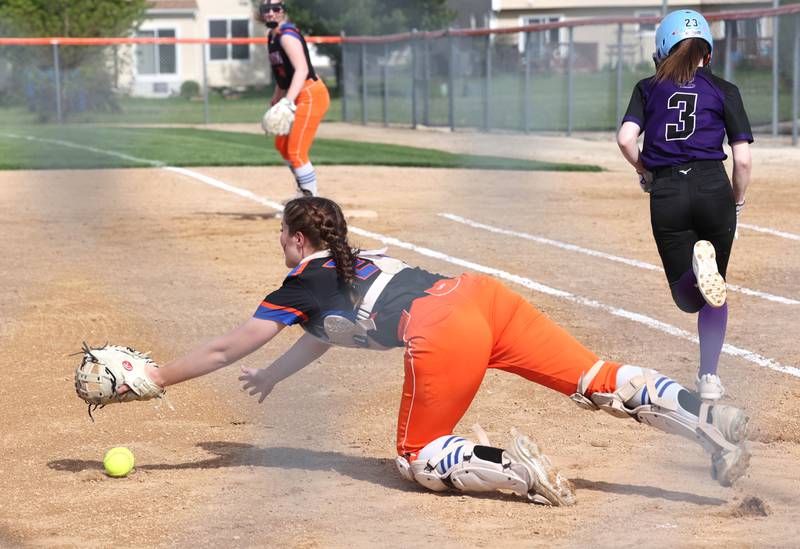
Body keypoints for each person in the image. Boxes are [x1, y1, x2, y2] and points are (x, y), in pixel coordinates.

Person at [115, 197, 750, 505]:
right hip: (483, 297)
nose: (279, 243)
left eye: (282, 234)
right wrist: (279, 376)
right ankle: (708, 420)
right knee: (596, 376)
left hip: (443, 330)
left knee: (417, 456)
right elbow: (326, 329)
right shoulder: (349, 261)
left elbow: (229, 346)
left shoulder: (302, 279)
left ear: (299, 238)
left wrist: (155, 376)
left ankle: (519, 469)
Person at [617, 9, 753, 401]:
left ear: (661, 49)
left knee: (687, 296)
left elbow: (627, 139)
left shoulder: (647, 87)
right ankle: (708, 377)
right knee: (718, 293)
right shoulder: (725, 89)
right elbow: (742, 159)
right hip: (714, 188)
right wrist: (737, 203)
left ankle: (695, 274)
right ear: (707, 54)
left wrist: (645, 172)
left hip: (669, 192)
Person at [258, 0, 330, 197]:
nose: (271, 13)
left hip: (310, 95)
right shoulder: (272, 37)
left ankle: (310, 203)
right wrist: (276, 99)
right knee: (282, 145)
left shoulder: (287, 36)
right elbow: (283, 76)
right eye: (266, 9)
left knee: (296, 152)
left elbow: (302, 70)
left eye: (276, 8)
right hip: (295, 94)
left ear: (283, 11)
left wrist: (287, 103)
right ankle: (303, 190)